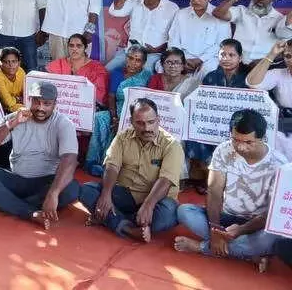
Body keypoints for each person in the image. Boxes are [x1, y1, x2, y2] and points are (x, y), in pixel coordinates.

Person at [174, 110, 286, 271]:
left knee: (271, 238)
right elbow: (214, 191)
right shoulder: (224, 150)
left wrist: (241, 230)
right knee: (184, 211)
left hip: (255, 224)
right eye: (235, 140)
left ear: (262, 139)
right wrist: (215, 229)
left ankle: (202, 247)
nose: (240, 147)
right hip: (224, 217)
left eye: (248, 142)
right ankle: (246, 253)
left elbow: (272, 213)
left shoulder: (279, 164)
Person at [0, 81, 80, 229]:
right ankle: (29, 211)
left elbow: (70, 159)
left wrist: (53, 193)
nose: (41, 108)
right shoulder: (17, 117)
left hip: (46, 183)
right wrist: (11, 124)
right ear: (29, 100)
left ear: (55, 104)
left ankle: (6, 204)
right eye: (36, 102)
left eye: (47, 104)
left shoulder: (63, 123)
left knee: (72, 188)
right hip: (16, 180)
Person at [79, 98, 183, 242]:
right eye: (140, 123)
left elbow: (165, 181)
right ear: (132, 122)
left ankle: (111, 218)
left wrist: (148, 205)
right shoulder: (122, 137)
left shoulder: (172, 145)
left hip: (157, 201)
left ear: (159, 120)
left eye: (151, 122)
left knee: (169, 214)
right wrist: (106, 194)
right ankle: (129, 228)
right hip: (127, 194)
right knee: (86, 190)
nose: (146, 128)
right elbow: (111, 166)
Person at [186, 39, 249, 192]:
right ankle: (209, 178)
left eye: (231, 55)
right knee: (194, 137)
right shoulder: (211, 77)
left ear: (239, 58)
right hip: (213, 125)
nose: (226, 58)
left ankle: (227, 182)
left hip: (239, 127)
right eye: (222, 54)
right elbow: (203, 103)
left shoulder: (247, 79)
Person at [86, 45, 150, 176]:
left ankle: (114, 166)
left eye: (137, 60)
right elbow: (111, 97)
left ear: (143, 63)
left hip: (137, 113)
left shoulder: (147, 76)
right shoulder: (117, 73)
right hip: (117, 109)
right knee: (99, 117)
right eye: (130, 58)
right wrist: (114, 118)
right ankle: (95, 161)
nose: (132, 63)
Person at [106, 0, 178, 72]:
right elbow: (114, 10)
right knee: (107, 71)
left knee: (144, 73)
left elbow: (176, 37)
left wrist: (157, 50)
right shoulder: (135, 3)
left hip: (154, 55)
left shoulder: (172, 8)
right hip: (130, 53)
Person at [213, 0, 292, 64]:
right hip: (237, 64)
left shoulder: (279, 19)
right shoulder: (241, 11)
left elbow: (285, 49)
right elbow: (217, 13)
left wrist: (264, 62)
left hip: (264, 66)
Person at [168, 0, 232, 75]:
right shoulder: (181, 14)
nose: (196, 0)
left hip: (209, 59)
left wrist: (200, 60)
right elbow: (173, 40)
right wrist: (181, 60)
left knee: (208, 70)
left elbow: (223, 44)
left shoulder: (220, 16)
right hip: (183, 57)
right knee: (162, 66)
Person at [46, 33, 109, 107]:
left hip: (86, 106)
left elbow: (100, 96)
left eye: (79, 46)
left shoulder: (97, 68)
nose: (74, 49)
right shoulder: (58, 65)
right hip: (60, 105)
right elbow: (48, 88)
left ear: (85, 48)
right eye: (71, 46)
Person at [247, 39, 292, 134]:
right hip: (285, 127)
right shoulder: (279, 74)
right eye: (288, 56)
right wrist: (272, 54)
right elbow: (252, 83)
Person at [0, 47, 26, 113]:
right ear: (0, 63)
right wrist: (18, 99)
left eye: (14, 61)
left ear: (19, 62)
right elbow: (8, 102)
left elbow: (26, 95)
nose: (11, 65)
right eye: (6, 62)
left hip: (17, 106)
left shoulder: (21, 71)